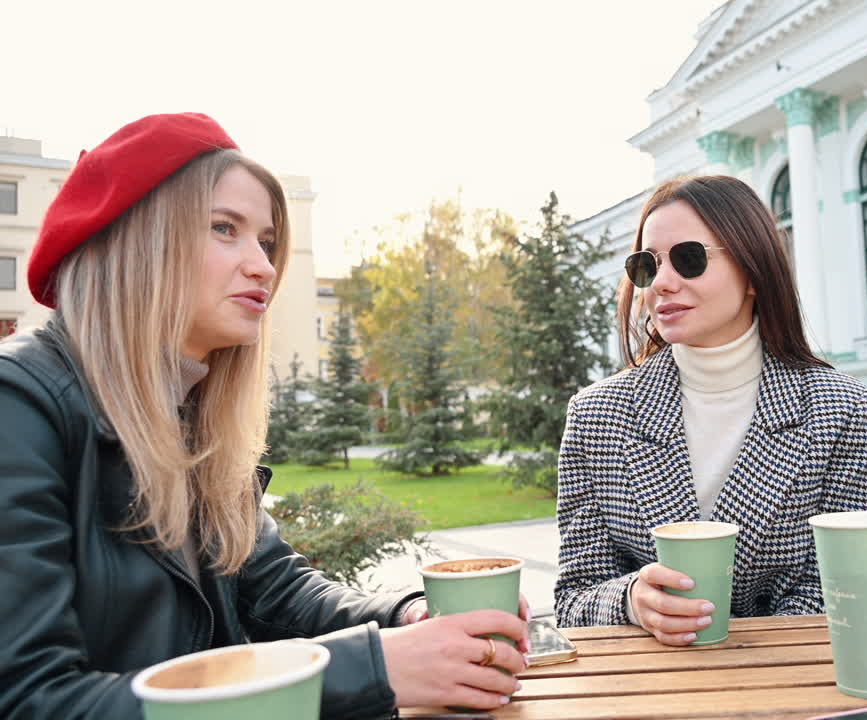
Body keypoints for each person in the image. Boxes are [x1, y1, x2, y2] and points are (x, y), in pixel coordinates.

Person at [0, 113, 528, 719]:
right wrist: (373, 672)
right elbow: (29, 699)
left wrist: (406, 617)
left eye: (268, 242)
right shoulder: (20, 404)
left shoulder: (190, 415)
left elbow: (277, 589)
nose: (264, 267)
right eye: (225, 229)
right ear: (136, 241)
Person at [554, 174, 867, 644]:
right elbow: (573, 599)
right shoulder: (595, 415)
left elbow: (834, 590)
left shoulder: (841, 410)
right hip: (645, 689)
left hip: (786, 687)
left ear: (754, 271)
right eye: (646, 266)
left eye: (689, 259)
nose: (661, 284)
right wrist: (632, 601)